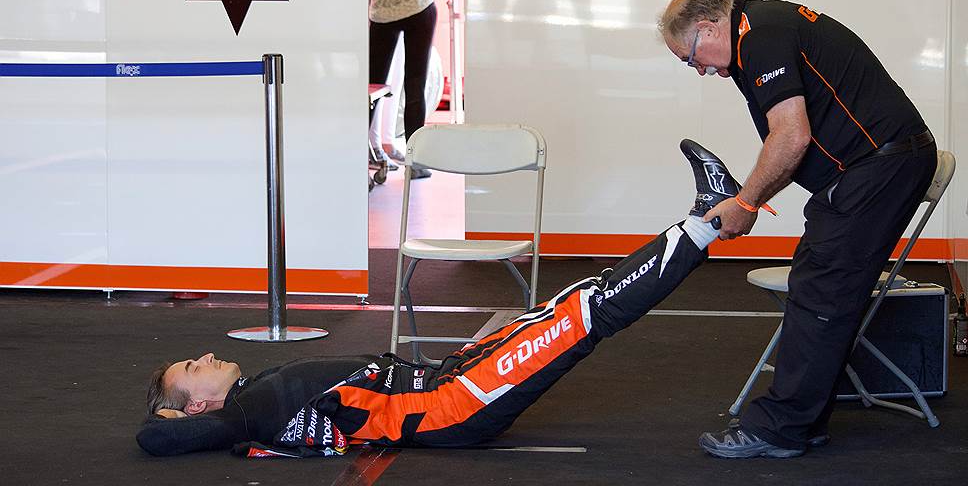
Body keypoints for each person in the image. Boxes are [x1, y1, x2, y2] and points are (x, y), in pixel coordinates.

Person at [138, 139, 740, 457]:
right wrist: (173, 418)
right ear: (198, 407)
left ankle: (702, 221)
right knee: (587, 312)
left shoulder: (255, 396)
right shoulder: (243, 416)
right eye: (192, 369)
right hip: (456, 403)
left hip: (450, 376)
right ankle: (705, 221)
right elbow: (156, 438)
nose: (205, 357)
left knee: (577, 303)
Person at [659, 0, 937, 459]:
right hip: (877, 166)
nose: (700, 70)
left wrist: (746, 203)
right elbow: (791, 145)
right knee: (823, 286)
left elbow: (791, 137)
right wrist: (748, 200)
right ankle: (802, 423)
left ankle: (780, 430)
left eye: (691, 58)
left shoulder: (760, 37)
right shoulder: (761, 28)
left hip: (878, 167)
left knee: (822, 290)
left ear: (708, 28)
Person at [367, 0, 445, 180]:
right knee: (415, 85)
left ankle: (355, 156)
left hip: (382, 9)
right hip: (419, 5)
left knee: (371, 88)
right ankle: (415, 162)